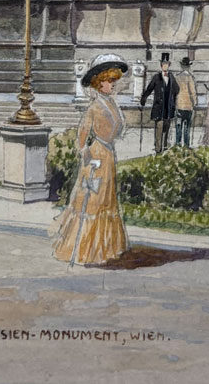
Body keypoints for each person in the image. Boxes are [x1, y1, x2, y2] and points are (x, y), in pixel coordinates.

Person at [53, 52, 128, 267]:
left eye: (114, 81)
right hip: (97, 157)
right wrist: (88, 159)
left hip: (108, 154)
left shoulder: (112, 104)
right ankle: (86, 249)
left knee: (107, 199)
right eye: (108, 81)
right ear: (98, 82)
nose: (112, 85)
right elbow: (82, 137)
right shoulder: (94, 108)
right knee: (93, 199)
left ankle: (106, 248)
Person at [140, 51, 178, 153]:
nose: (165, 66)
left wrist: (172, 100)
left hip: (168, 108)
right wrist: (143, 98)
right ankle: (158, 149)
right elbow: (149, 89)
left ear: (169, 65)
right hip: (159, 107)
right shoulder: (157, 77)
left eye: (167, 64)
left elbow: (176, 89)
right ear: (161, 65)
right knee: (159, 128)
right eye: (163, 64)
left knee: (167, 127)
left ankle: (164, 146)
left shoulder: (171, 77)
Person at [174, 56, 198, 148]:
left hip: (179, 105)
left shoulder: (177, 77)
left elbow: (174, 91)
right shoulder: (190, 78)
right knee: (187, 126)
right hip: (188, 106)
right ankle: (186, 145)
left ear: (181, 66)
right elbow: (193, 92)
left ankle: (178, 143)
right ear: (188, 67)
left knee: (178, 125)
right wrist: (195, 102)